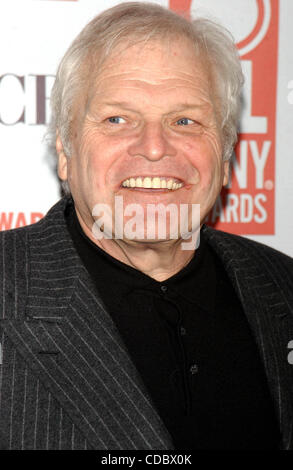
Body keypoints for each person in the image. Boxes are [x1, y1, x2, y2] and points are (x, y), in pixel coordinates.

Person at [0, 2, 292, 451]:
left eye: (185, 121)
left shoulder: (283, 287)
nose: (154, 148)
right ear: (65, 148)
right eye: (118, 119)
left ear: (227, 151)